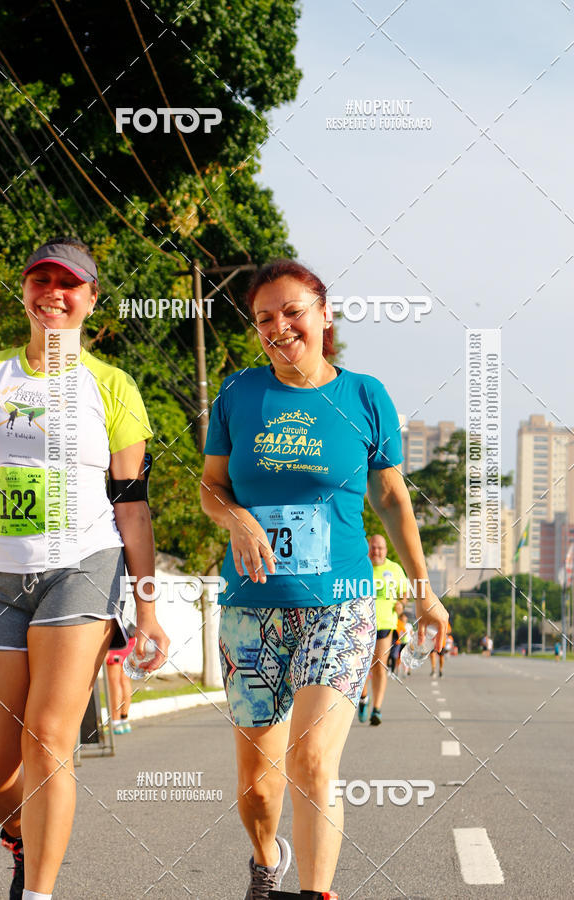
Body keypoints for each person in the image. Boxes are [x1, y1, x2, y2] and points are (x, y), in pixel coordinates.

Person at [200, 259, 449, 899]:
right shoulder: (239, 394)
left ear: (323, 315)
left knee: (312, 762)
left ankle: (317, 894)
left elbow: (392, 498)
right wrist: (239, 522)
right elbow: (212, 488)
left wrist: (423, 591)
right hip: (252, 611)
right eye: (263, 319)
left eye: (292, 312)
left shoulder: (364, 396)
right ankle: (266, 859)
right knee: (258, 788)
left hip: (339, 606)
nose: (278, 327)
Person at [0, 237, 169, 900]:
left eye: (69, 284)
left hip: (81, 568)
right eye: (41, 280)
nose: (52, 294)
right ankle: (25, 837)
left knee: (48, 735)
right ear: (25, 290)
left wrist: (145, 607)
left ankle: (39, 895)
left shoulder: (111, 387)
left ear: (90, 300)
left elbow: (133, 507)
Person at [357, 536, 407, 725]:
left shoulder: (394, 569)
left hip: (385, 624)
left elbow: (404, 593)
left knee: (379, 666)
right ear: (368, 548)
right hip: (360, 624)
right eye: (373, 548)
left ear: (386, 550)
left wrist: (401, 604)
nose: (376, 551)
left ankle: (376, 709)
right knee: (361, 666)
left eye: (380, 548)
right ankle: (363, 698)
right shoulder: (359, 566)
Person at [105, 633, 136, 733]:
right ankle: (124, 720)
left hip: (116, 643)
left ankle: (115, 722)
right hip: (130, 642)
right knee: (125, 682)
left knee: (115, 683)